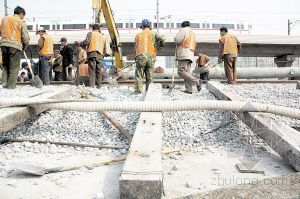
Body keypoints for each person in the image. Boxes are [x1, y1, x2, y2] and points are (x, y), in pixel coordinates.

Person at [0, 6, 30, 89]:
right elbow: (26, 38)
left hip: (3, 45)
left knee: (5, 65)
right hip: (15, 46)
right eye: (23, 15)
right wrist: (25, 45)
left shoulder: (4, 19)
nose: (23, 17)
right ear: (21, 14)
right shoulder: (21, 21)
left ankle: (4, 84)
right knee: (14, 67)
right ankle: (11, 86)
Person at [174, 21, 201, 94]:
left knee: (181, 71)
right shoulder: (192, 33)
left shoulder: (183, 30)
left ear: (182, 26)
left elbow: (177, 40)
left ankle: (197, 82)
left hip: (183, 53)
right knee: (187, 73)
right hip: (190, 54)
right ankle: (189, 89)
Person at [80, 24, 108, 88]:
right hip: (100, 54)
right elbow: (104, 47)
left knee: (92, 70)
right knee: (99, 71)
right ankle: (99, 86)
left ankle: (92, 85)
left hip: (92, 53)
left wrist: (80, 43)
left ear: (92, 28)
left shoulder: (91, 33)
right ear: (99, 29)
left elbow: (87, 42)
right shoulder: (102, 36)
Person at [134, 19, 157, 93]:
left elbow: (136, 47)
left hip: (140, 57)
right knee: (149, 76)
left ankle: (138, 91)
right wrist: (157, 48)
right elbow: (162, 39)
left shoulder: (138, 35)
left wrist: (136, 57)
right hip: (151, 57)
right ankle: (149, 91)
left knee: (139, 75)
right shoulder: (153, 33)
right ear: (150, 26)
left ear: (142, 27)